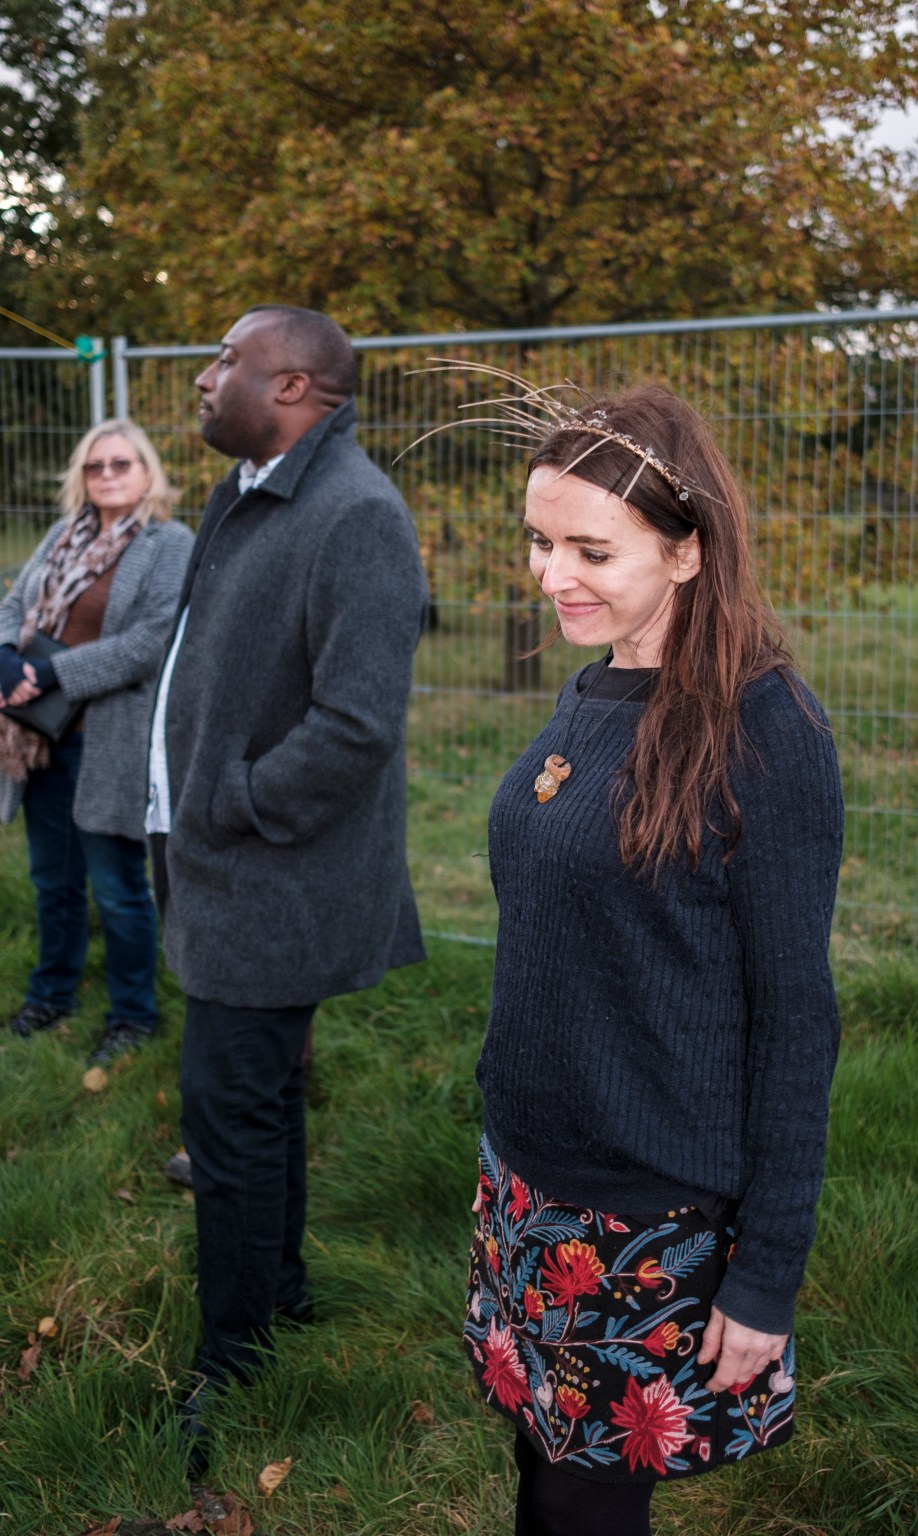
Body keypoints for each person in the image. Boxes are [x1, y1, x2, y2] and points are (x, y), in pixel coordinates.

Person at [452, 380, 844, 1536]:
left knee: (584, 1505)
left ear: (685, 552)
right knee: (541, 1463)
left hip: (648, 1215)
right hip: (530, 1177)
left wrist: (765, 1272)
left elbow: (794, 1022)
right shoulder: (596, 686)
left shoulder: (764, 733)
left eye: (589, 548)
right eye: (538, 540)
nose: (550, 574)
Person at [146, 305, 428, 1463]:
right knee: (253, 1105)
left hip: (272, 875)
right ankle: (284, 1296)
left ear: (297, 385)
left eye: (228, 361)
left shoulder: (355, 514)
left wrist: (236, 802)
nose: (205, 377)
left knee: (231, 1113)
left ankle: (234, 1359)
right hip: (219, 862)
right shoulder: (255, 487)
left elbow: (357, 722)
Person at [0, 420, 192, 1063]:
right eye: (95, 466)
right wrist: (5, 656)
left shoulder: (170, 544)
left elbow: (148, 643)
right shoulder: (62, 535)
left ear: (147, 473)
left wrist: (48, 671)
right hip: (39, 741)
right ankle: (51, 994)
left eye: (121, 463)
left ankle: (131, 1014)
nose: (107, 475)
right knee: (52, 880)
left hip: (107, 741)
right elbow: (14, 600)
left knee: (116, 885)